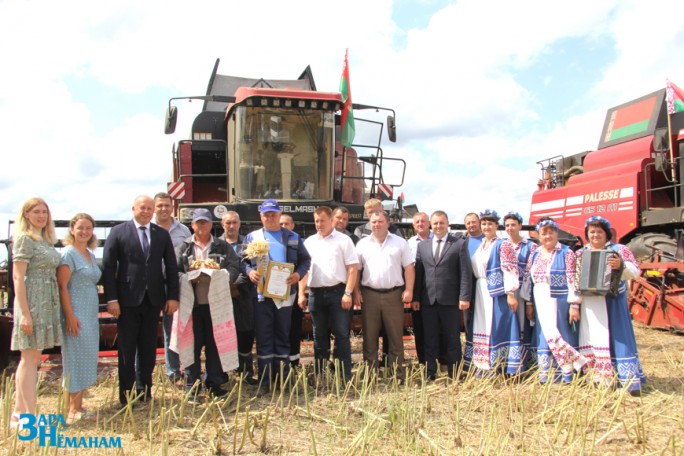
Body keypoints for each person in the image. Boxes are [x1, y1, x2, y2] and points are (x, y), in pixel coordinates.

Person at [103, 195, 179, 406]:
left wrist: (173, 296)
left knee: (148, 349)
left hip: (153, 301)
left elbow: (171, 267)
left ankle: (144, 390)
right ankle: (126, 394)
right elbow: (109, 268)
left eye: (149, 208)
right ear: (133, 208)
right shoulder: (118, 232)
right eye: (142, 208)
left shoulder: (161, 234)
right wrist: (112, 299)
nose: (146, 211)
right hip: (127, 301)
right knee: (127, 349)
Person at [243, 199, 310, 391]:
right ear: (261, 216)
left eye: (273, 214)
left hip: (284, 295)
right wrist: (249, 272)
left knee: (282, 336)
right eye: (266, 215)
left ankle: (284, 380)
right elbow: (242, 261)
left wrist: (298, 274)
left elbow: (306, 260)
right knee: (264, 338)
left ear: (280, 215)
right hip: (261, 297)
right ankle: (265, 382)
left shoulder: (293, 237)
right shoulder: (252, 237)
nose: (270, 218)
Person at [576, 216, 646, 393]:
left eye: (599, 231)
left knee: (619, 338)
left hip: (613, 302)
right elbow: (574, 278)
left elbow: (635, 272)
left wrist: (620, 265)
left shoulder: (619, 250)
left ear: (606, 233)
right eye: (592, 232)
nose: (595, 235)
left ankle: (628, 381)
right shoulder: (580, 252)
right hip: (590, 304)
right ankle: (600, 378)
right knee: (594, 338)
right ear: (587, 234)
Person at [176, 208, 240, 398]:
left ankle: (214, 383)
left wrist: (221, 278)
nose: (202, 226)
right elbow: (175, 271)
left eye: (206, 222)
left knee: (215, 345)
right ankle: (193, 385)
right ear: (192, 225)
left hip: (217, 306)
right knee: (192, 346)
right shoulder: (184, 247)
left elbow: (234, 267)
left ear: (212, 225)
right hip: (192, 306)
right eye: (199, 222)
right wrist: (189, 278)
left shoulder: (222, 246)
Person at [9, 198, 61, 428]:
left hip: (46, 302)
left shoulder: (46, 241)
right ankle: (29, 417)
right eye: (36, 212)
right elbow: (18, 277)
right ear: (26, 215)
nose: (41, 216)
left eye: (44, 212)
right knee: (30, 360)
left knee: (31, 358)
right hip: (32, 303)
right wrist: (25, 313)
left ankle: (18, 413)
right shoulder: (24, 240)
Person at [522, 218, 587, 383]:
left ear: (557, 233)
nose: (548, 236)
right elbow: (528, 279)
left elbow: (573, 279)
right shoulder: (535, 253)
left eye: (551, 232)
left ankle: (567, 373)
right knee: (544, 333)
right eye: (544, 233)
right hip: (540, 299)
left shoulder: (566, 253)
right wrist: (529, 303)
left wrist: (574, 304)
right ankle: (547, 373)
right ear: (538, 236)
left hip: (560, 300)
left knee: (561, 331)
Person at [299, 206, 359, 379]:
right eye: (316, 221)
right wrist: (302, 293)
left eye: (322, 220)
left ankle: (344, 375)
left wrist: (348, 293)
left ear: (331, 220)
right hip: (316, 295)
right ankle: (320, 374)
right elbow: (305, 270)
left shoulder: (344, 241)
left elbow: (352, 268)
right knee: (319, 335)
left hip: (338, 293)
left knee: (341, 334)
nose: (319, 224)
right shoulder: (309, 242)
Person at [354, 210, 414, 379]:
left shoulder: (400, 243)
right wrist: (356, 292)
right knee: (369, 337)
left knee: (395, 337)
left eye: (380, 221)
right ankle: (371, 375)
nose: (377, 225)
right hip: (369, 295)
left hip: (394, 295)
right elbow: (356, 270)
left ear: (387, 222)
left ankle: (397, 375)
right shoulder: (362, 244)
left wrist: (408, 290)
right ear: (369, 224)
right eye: (373, 222)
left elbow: (409, 267)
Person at [412, 210, 471, 380]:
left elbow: (465, 273)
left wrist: (464, 297)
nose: (438, 226)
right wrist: (416, 297)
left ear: (448, 224)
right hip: (428, 301)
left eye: (442, 223)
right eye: (435, 223)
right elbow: (419, 273)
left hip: (450, 301)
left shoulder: (459, 244)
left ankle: (455, 373)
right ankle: (430, 373)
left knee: (452, 339)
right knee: (429, 339)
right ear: (431, 224)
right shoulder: (422, 246)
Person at [463, 210, 522, 375]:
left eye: (490, 223)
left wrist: (511, 293)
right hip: (480, 291)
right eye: (484, 223)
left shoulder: (503, 244)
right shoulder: (482, 245)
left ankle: (497, 366)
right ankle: (481, 365)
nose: (486, 227)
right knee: (480, 326)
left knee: (495, 326)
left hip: (496, 293)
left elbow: (510, 269)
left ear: (497, 226)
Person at [56, 213, 101, 424]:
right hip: (75, 312)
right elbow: (62, 286)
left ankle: (79, 405)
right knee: (74, 358)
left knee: (85, 358)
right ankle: (71, 410)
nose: (84, 232)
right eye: (80, 228)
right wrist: (70, 316)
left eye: (88, 228)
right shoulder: (68, 254)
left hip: (90, 313)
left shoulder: (90, 254)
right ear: (72, 229)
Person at [153, 192, 191, 383]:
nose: (164, 209)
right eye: (160, 206)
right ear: (154, 208)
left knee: (173, 329)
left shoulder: (183, 230)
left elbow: (190, 256)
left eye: (167, 205)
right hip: (151, 285)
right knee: (148, 331)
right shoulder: (148, 229)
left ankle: (173, 371)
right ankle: (143, 373)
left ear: (172, 207)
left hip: (175, 285)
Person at [221, 211, 257, 384]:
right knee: (223, 334)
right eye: (228, 223)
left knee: (245, 333)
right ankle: (223, 373)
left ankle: (246, 372)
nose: (231, 226)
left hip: (244, 296)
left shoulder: (247, 245)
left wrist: (236, 285)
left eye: (234, 222)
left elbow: (250, 268)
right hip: (221, 297)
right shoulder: (216, 245)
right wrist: (228, 287)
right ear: (222, 225)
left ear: (239, 224)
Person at [503, 211, 537, 367]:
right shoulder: (503, 244)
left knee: (523, 324)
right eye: (507, 225)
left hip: (524, 290)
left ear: (520, 226)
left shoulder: (530, 246)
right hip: (507, 291)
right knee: (508, 323)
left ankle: (523, 361)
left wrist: (529, 300)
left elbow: (531, 271)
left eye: (513, 225)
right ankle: (509, 360)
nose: (510, 228)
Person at [406, 212, 433, 365]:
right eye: (417, 222)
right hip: (416, 288)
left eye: (423, 221)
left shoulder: (437, 240)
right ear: (413, 225)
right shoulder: (408, 243)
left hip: (434, 287)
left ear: (429, 223)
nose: (420, 224)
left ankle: (439, 359)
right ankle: (423, 361)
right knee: (420, 327)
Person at [280, 213, 303, 368]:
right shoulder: (268, 242)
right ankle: (280, 363)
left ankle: (294, 363)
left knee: (293, 329)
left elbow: (305, 265)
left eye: (287, 224)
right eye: (281, 224)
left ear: (292, 226)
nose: (283, 226)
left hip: (292, 291)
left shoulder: (298, 242)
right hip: (273, 294)